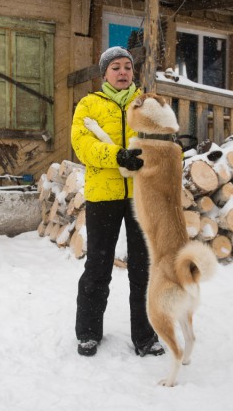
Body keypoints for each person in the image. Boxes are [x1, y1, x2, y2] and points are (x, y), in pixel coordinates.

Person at [71, 46, 165, 357]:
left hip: (141, 196)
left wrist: (149, 154)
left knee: (143, 269)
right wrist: (117, 156)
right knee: (98, 266)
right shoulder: (89, 104)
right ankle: (87, 332)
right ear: (104, 74)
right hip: (104, 196)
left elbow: (164, 138)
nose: (123, 71)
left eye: (127, 66)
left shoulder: (147, 104)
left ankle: (145, 336)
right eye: (116, 67)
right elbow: (82, 145)